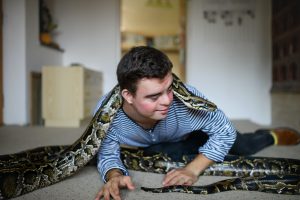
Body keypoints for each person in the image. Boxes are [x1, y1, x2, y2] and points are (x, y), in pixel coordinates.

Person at [94, 46, 300, 200]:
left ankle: (268, 135)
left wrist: (193, 169)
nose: (167, 100)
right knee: (155, 155)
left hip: (194, 134)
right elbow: (107, 153)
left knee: (241, 146)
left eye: (169, 89)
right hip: (162, 143)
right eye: (154, 96)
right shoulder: (105, 116)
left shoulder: (189, 101)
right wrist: (114, 175)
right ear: (128, 96)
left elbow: (224, 131)